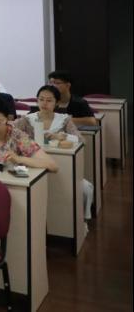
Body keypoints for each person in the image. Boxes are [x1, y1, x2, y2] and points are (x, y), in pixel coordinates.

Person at [15, 85, 94, 219]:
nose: (44, 103)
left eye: (49, 100)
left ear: (57, 103)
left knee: (85, 188)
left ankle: (81, 220)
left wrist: (63, 136)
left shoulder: (64, 120)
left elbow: (81, 140)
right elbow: (11, 133)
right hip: (33, 165)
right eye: (41, 99)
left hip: (62, 166)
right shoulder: (27, 120)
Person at [0, 97, 58, 172]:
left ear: (6, 119)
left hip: (11, 184)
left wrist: (19, 159)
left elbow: (52, 165)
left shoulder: (17, 136)